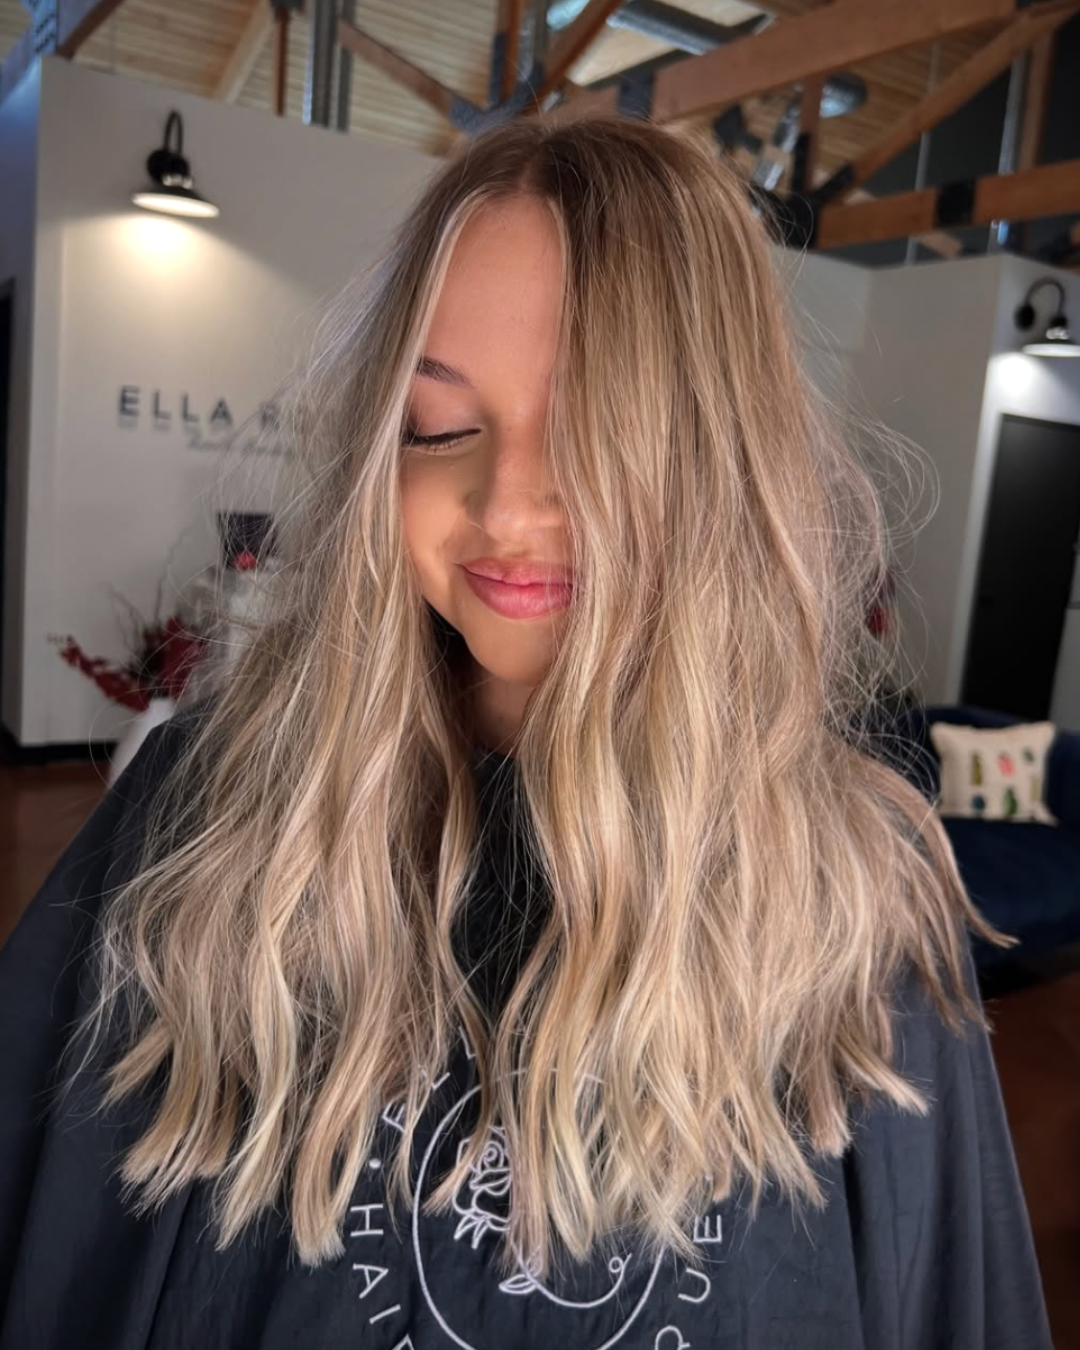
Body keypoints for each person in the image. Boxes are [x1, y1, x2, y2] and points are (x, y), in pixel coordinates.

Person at [0, 115, 1052, 1350]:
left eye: (598, 426)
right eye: (439, 427)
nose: (505, 506)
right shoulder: (208, 812)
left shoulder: (856, 887)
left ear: (718, 460)